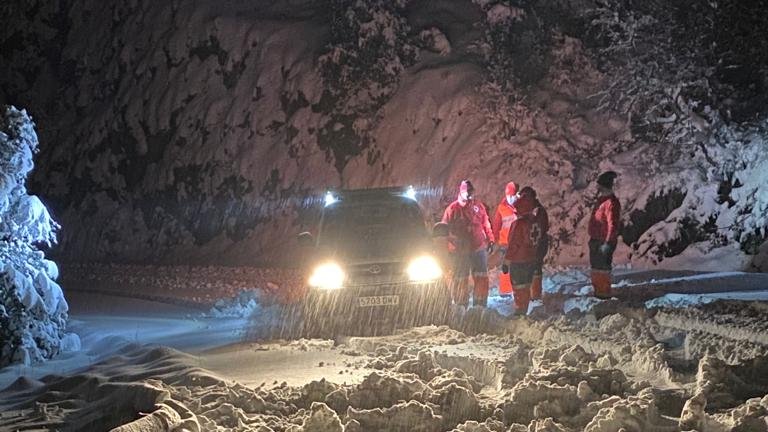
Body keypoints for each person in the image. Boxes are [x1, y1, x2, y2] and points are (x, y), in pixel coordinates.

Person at [442, 180, 495, 307]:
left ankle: (480, 304)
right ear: (461, 192)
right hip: (460, 250)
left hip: (478, 247)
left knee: (481, 276)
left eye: (471, 192)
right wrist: (448, 245)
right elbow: (443, 228)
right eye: (467, 192)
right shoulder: (452, 209)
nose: (470, 195)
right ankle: (461, 304)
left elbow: (485, 223)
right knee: (461, 277)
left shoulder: (478, 206)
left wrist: (491, 239)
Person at [501, 191, 543, 317]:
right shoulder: (535, 222)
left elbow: (514, 244)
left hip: (518, 261)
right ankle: (524, 309)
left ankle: (520, 311)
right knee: (526, 286)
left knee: (519, 287)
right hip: (530, 260)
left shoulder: (519, 224)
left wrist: (506, 261)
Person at [588, 171, 621, 299]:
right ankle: (598, 292)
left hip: (603, 241)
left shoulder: (611, 203)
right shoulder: (602, 200)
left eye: (600, 185)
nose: (598, 188)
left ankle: (603, 294)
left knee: (602, 268)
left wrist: (608, 242)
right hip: (596, 240)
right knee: (596, 268)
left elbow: (612, 224)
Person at [517, 187, 549, 302]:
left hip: (537, 244)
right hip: (535, 243)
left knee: (535, 268)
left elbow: (539, 227)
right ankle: (532, 294)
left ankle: (535, 294)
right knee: (532, 268)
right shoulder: (534, 209)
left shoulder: (536, 211)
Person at [491, 181, 518, 296]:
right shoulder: (501, 208)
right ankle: (506, 291)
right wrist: (493, 239)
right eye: (509, 195)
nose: (510, 197)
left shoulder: (521, 206)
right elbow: (497, 225)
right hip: (506, 242)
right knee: (506, 266)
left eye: (513, 195)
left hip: (518, 242)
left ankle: (518, 288)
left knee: (519, 265)